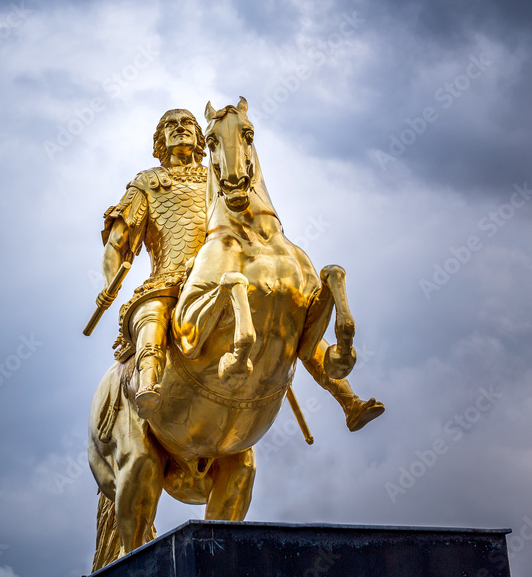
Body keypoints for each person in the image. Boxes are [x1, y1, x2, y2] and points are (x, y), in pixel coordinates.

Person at [99, 108, 384, 430]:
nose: (180, 129)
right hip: (172, 276)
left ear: (200, 138)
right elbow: (118, 241)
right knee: (151, 314)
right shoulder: (149, 182)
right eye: (171, 125)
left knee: (289, 309)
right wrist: (110, 283)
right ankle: (149, 386)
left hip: (227, 263)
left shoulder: (220, 173)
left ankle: (348, 400)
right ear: (161, 140)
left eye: (187, 124)